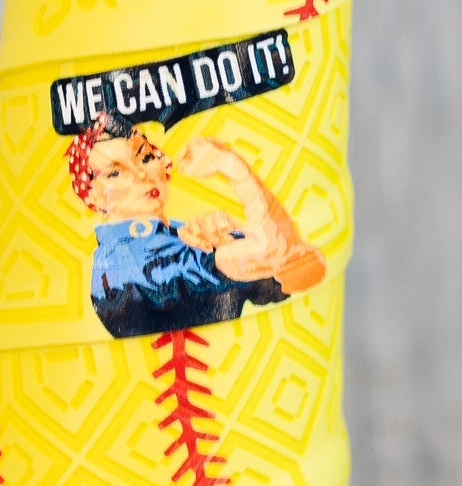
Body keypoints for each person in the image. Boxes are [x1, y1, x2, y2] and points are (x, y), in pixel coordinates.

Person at [65, 111, 326, 339]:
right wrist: (233, 168)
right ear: (91, 195)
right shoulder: (126, 263)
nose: (142, 176)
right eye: (115, 173)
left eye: (145, 158)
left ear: (164, 163)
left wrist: (230, 241)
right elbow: (275, 250)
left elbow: (305, 266)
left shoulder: (182, 235)